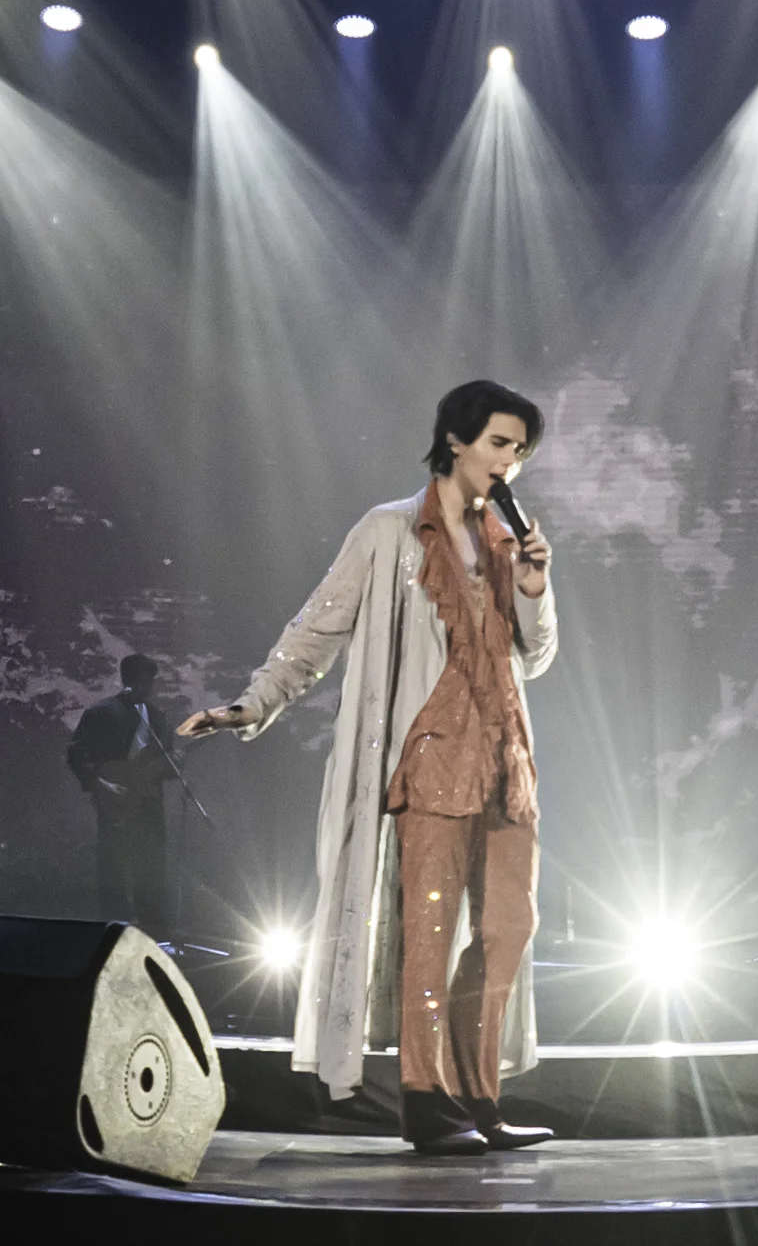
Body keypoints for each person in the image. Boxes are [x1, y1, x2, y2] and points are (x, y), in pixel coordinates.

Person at [178, 381, 561, 1156]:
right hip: (429, 757)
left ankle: (479, 1095)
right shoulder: (390, 530)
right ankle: (426, 1099)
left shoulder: (506, 539)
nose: (510, 462)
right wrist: (253, 702)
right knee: (430, 931)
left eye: (521, 450)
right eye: (499, 443)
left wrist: (534, 586)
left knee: (509, 926)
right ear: (455, 440)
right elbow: (318, 626)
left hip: (503, 757)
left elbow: (537, 655)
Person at [67, 653, 177, 939]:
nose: (148, 685)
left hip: (150, 806)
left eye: (150, 679)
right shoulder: (101, 713)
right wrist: (100, 783)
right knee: (113, 870)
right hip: (116, 804)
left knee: (151, 869)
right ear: (130, 678)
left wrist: (174, 765)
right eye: (145, 678)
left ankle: (154, 936)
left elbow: (168, 764)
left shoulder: (158, 718)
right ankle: (113, 934)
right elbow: (77, 753)